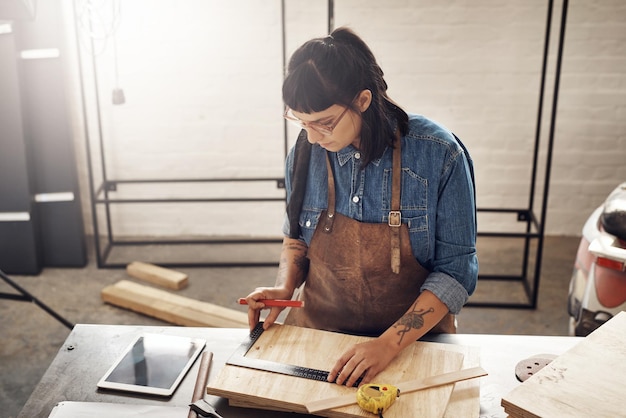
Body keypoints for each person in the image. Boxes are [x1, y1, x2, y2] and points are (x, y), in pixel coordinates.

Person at [243, 27, 478, 388]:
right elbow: (296, 239)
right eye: (301, 122)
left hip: (412, 346)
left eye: (324, 122)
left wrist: (387, 345)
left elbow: (455, 272)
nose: (312, 136)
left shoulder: (438, 154)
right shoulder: (305, 153)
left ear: (363, 100)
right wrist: (284, 288)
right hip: (320, 339)